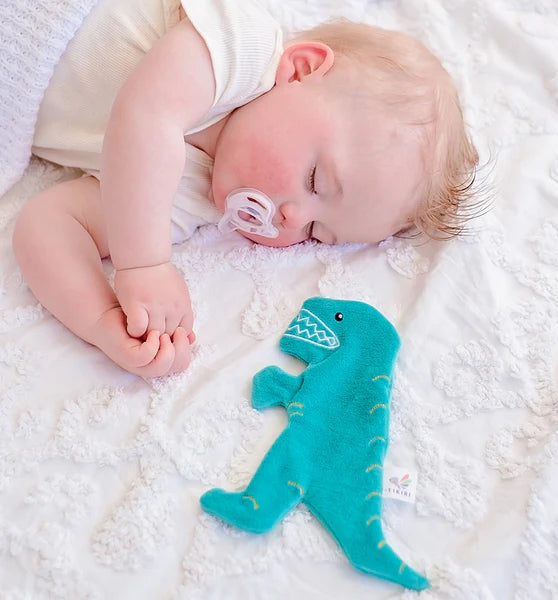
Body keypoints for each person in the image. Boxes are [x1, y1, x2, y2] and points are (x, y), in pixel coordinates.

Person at [12, 0, 480, 377]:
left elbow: (49, 225)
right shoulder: (239, 48)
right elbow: (146, 114)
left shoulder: (190, 201)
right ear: (300, 70)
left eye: (315, 232)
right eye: (315, 180)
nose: (292, 218)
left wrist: (100, 320)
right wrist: (144, 264)